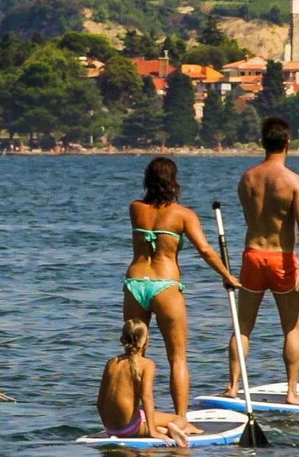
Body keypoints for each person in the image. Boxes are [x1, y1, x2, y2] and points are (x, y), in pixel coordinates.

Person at [124, 157, 241, 428]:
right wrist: (228, 277)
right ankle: (181, 420)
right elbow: (205, 250)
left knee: (134, 356)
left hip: (134, 283)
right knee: (177, 357)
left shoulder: (135, 208)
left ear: (147, 180)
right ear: (174, 182)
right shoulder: (183, 214)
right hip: (165, 285)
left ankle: (133, 418)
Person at [224, 117, 299, 405]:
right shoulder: (294, 182)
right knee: (292, 327)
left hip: (252, 256)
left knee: (242, 327)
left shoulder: (247, 179)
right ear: (288, 143)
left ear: (262, 143)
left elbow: (253, 217)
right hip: (282, 260)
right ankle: (292, 392)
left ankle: (232, 387)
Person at [96, 319, 189, 447]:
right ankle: (166, 431)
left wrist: (108, 427)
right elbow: (147, 397)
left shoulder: (112, 362)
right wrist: (152, 432)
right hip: (129, 429)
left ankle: (162, 430)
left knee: (141, 415)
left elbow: (100, 402)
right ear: (145, 340)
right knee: (180, 420)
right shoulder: (147, 364)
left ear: (123, 338)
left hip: (110, 428)